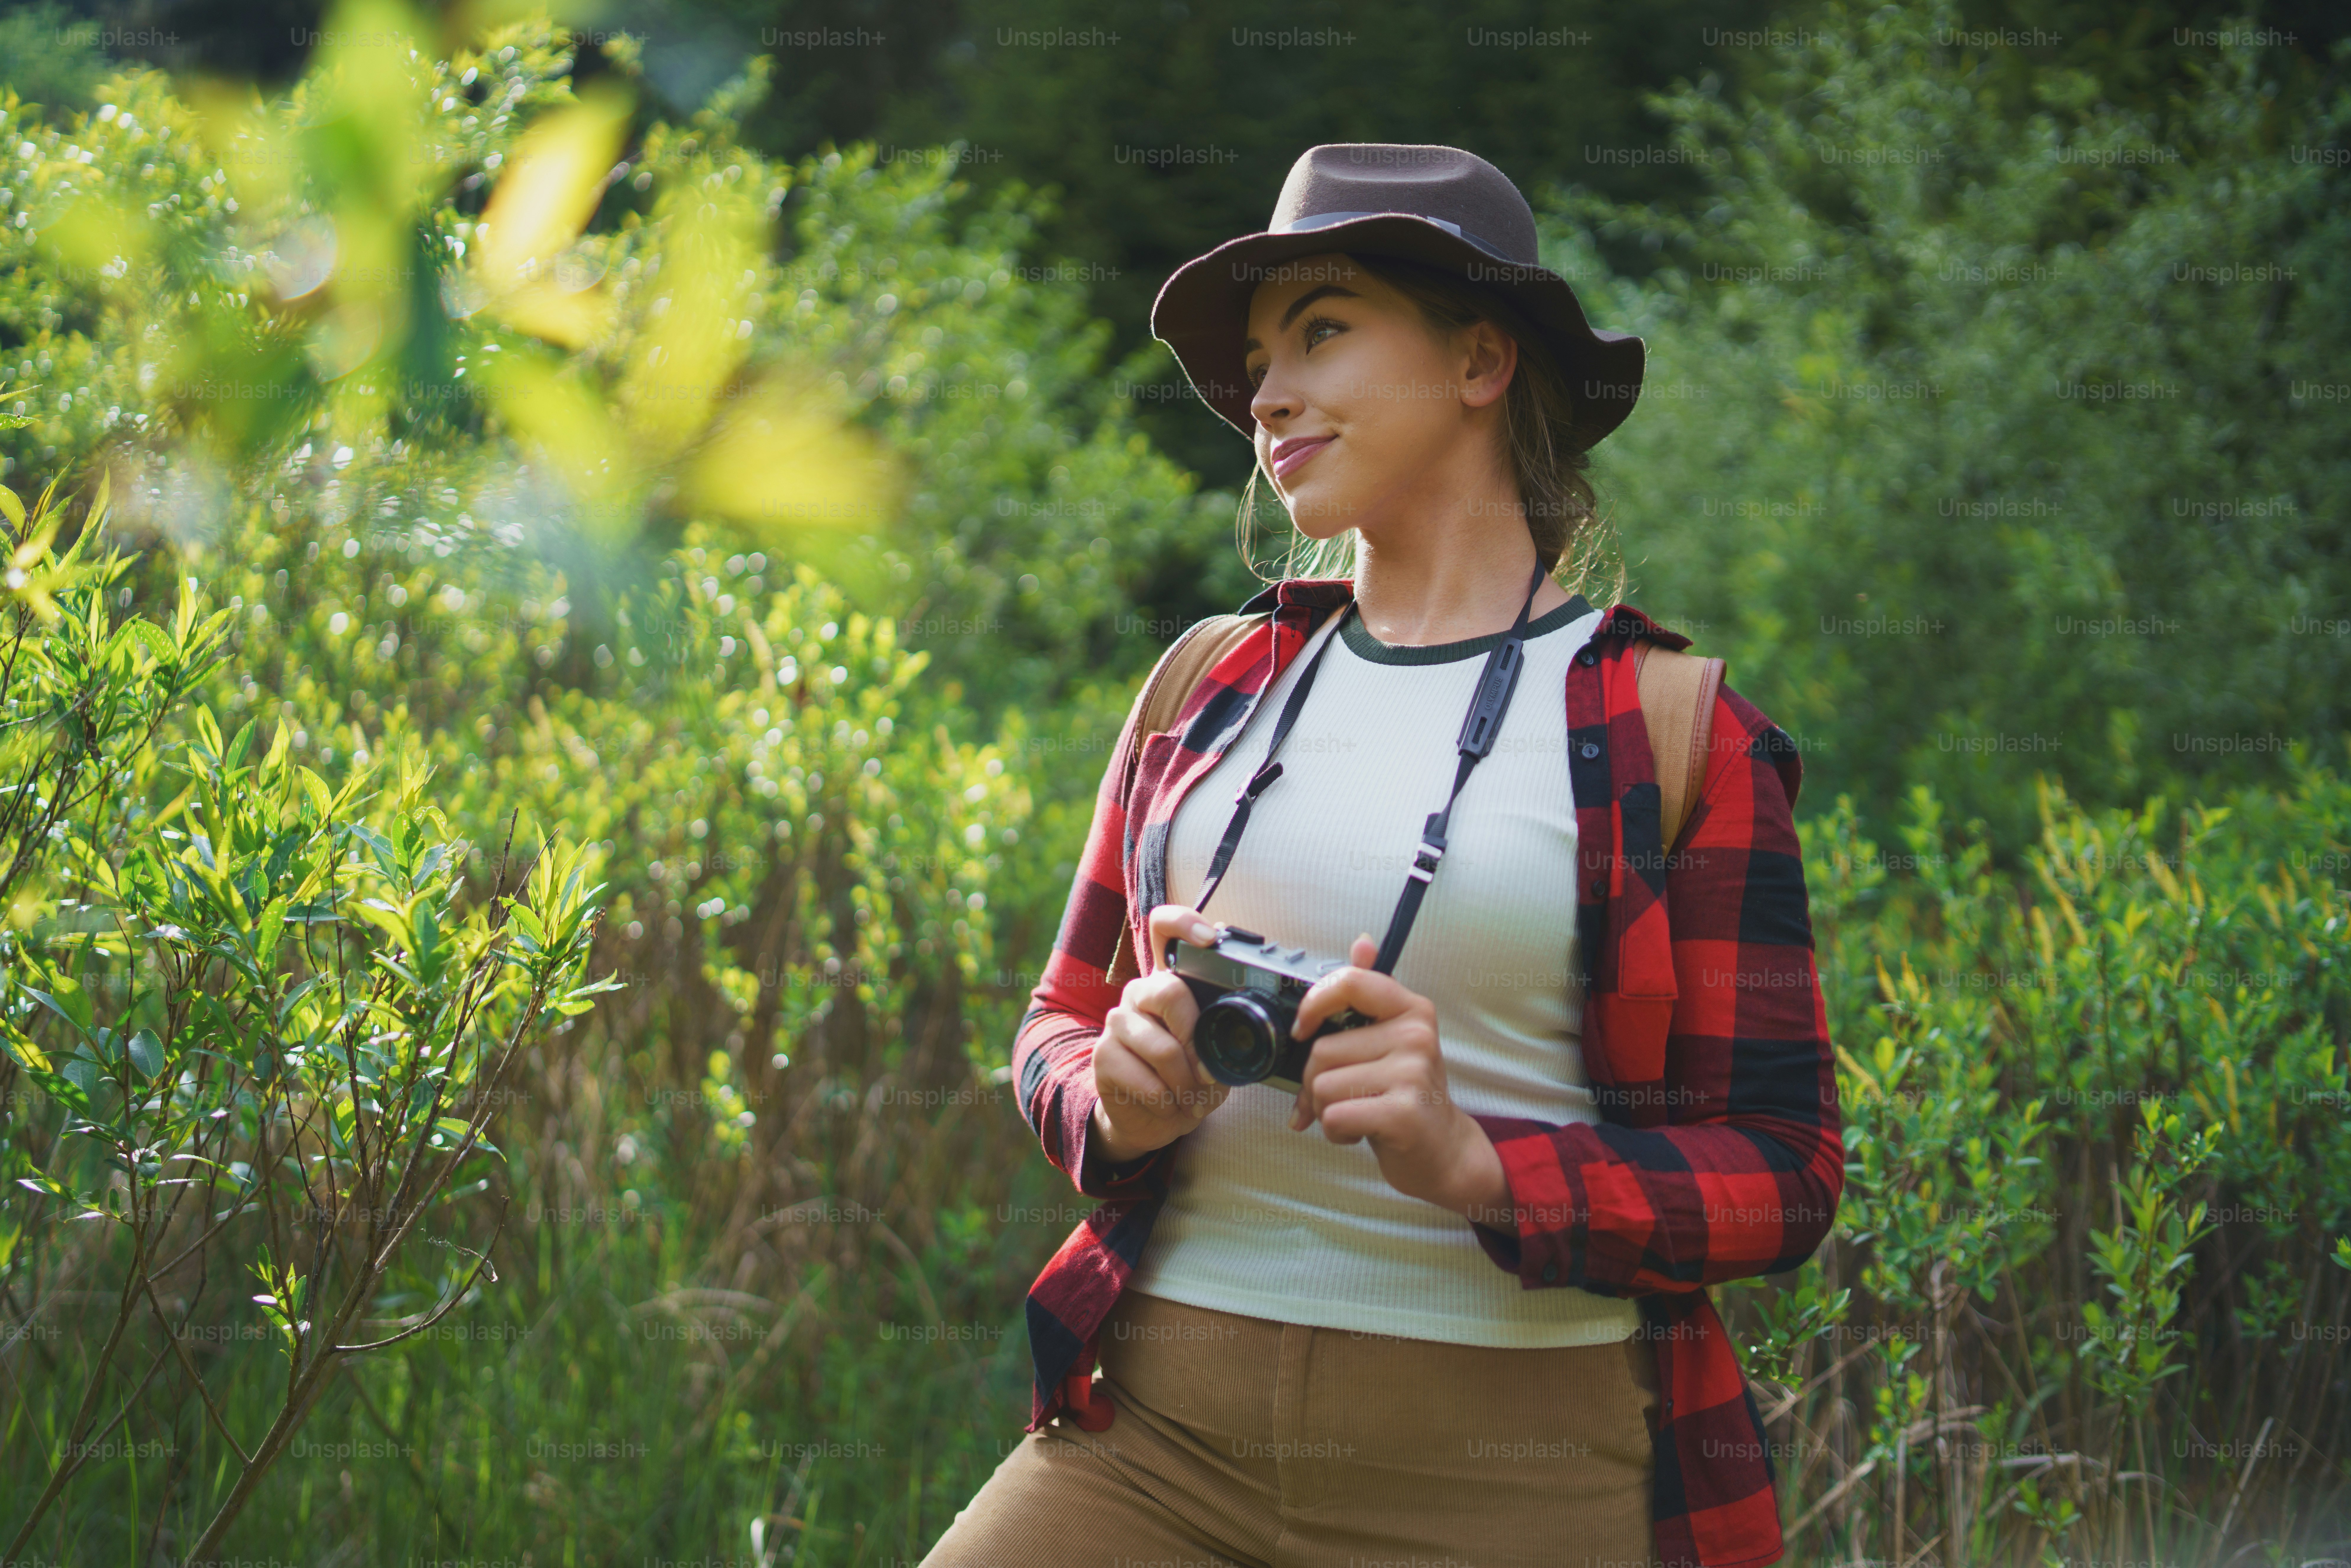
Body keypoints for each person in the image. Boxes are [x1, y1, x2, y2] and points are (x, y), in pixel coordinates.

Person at [924, 143, 1843, 1568]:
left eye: (1322, 332)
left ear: (1482, 361)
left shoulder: (1675, 734)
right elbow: (1053, 1023)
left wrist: (1482, 1166)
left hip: (1510, 1479)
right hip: (1153, 1438)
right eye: (1253, 362)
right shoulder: (1205, 686)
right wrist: (1109, 1095)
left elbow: (1784, 1173)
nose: (1264, 395)